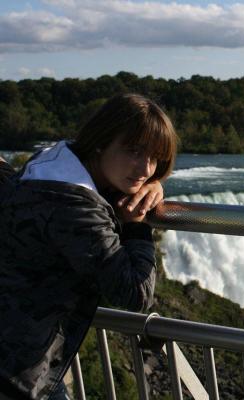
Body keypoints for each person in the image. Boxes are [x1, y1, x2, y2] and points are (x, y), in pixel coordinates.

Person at [0, 93, 178, 400]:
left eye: (154, 158)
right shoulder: (74, 206)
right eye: (134, 151)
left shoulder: (49, 165)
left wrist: (153, 185)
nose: (145, 168)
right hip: (17, 373)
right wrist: (137, 226)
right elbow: (135, 292)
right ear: (100, 142)